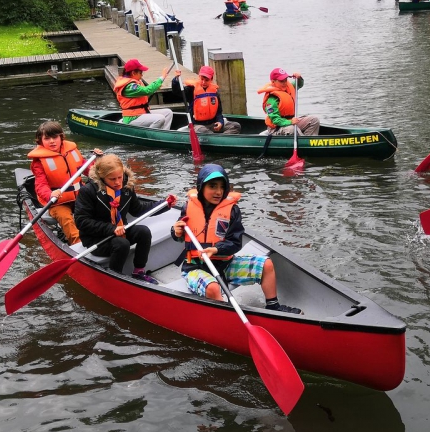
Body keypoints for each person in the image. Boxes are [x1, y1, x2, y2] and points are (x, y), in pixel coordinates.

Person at [170, 164, 302, 313]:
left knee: (266, 265)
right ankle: (227, 319)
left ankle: (274, 306)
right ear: (201, 187)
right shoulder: (188, 207)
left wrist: (216, 249)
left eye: (222, 187)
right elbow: (178, 236)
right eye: (213, 186)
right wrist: (176, 232)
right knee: (213, 288)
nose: (218, 192)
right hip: (196, 267)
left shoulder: (232, 210)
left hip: (225, 265)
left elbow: (235, 242)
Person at [73, 154, 175, 283]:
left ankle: (139, 271)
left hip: (121, 230)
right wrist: (111, 228)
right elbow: (81, 221)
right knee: (122, 244)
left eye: (119, 177)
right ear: (102, 178)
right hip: (96, 238)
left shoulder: (126, 186)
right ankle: (115, 278)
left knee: (143, 232)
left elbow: (138, 210)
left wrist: (164, 204)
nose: (117, 182)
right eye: (112, 179)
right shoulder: (87, 191)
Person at [28, 121, 99, 245]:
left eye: (55, 137)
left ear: (61, 137)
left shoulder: (72, 151)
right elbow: (40, 186)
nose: (52, 141)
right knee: (66, 219)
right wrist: (50, 195)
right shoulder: (38, 162)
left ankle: (102, 235)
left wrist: (97, 161)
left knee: (97, 208)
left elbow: (87, 169)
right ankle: (78, 244)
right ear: (40, 141)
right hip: (57, 202)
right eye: (47, 138)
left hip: (79, 196)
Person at [172, 65, 241, 134]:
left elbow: (219, 112)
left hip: (213, 123)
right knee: (204, 131)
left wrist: (220, 122)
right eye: (202, 79)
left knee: (236, 126)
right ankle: (216, 139)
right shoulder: (191, 90)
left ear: (211, 79)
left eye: (206, 80)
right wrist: (176, 79)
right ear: (199, 77)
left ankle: (220, 139)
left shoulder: (215, 92)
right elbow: (177, 91)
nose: (203, 82)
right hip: (198, 125)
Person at [113, 58, 174, 129]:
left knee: (168, 113)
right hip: (132, 118)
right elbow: (146, 90)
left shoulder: (136, 81)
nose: (142, 75)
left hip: (141, 113)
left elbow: (144, 93)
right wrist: (161, 78)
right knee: (160, 118)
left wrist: (155, 87)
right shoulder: (130, 87)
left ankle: (163, 135)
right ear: (133, 73)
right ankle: (149, 137)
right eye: (140, 73)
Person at [258, 68, 320, 136]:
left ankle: (308, 142)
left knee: (314, 120)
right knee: (291, 129)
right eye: (281, 81)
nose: (284, 83)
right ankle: (302, 141)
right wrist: (290, 122)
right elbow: (275, 120)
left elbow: (299, 84)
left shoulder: (288, 87)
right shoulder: (271, 99)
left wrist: (299, 78)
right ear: (273, 82)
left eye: (285, 80)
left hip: (292, 121)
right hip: (277, 127)